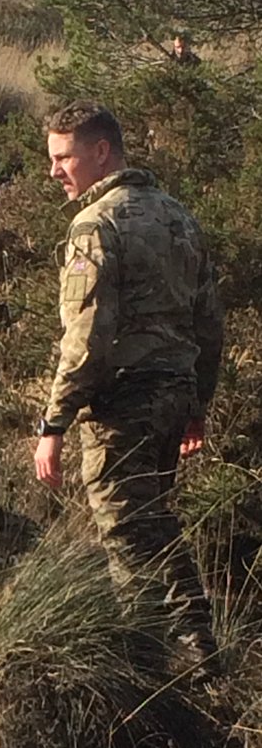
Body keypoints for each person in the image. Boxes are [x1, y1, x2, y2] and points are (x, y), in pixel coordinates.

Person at [35, 100, 223, 677]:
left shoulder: (95, 226)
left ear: (100, 152)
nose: (54, 171)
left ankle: (166, 662)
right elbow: (209, 322)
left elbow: (86, 341)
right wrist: (196, 405)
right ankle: (185, 655)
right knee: (150, 521)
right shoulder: (177, 216)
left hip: (124, 404)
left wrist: (53, 423)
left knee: (129, 532)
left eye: (64, 157)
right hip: (171, 398)